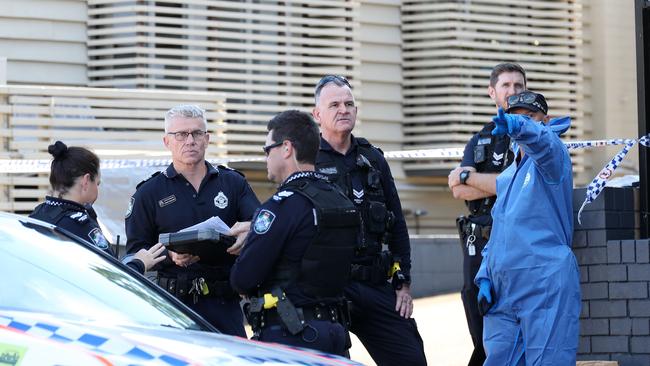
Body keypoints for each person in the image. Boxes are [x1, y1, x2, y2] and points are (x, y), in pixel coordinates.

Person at [312, 75, 427, 365]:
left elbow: (397, 223)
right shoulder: (306, 159)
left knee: (411, 358)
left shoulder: (373, 158)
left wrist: (404, 284)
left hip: (375, 284)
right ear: (317, 115)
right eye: (335, 104)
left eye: (349, 103)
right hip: (327, 289)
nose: (343, 110)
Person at [230, 110, 359, 356]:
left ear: (286, 148)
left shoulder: (280, 207)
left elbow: (243, 279)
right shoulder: (340, 199)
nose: (266, 157)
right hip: (336, 334)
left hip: (292, 336)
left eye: (267, 150)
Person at [125, 104, 260, 336]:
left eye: (197, 133)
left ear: (207, 139)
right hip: (174, 307)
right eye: (181, 135)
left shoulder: (232, 183)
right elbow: (136, 251)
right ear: (167, 141)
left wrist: (249, 231)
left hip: (224, 306)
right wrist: (170, 255)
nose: (190, 141)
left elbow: (261, 225)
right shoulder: (149, 193)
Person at [475, 91, 581, 365]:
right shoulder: (509, 174)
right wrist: (485, 276)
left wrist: (518, 126)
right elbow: (499, 231)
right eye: (517, 117)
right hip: (504, 289)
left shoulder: (552, 158)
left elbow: (542, 143)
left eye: (531, 117)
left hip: (543, 282)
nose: (524, 122)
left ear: (545, 120)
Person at [447, 62, 525, 366]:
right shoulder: (480, 138)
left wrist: (472, 179)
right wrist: (500, 182)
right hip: (479, 240)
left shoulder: (533, 135)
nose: (513, 91)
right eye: (506, 85)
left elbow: (522, 185)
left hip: (516, 238)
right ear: (492, 92)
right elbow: (458, 190)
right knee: (476, 305)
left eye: (519, 86)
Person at [30, 141, 166, 274]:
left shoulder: (36, 215)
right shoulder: (80, 226)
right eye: (97, 183)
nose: (97, 189)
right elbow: (113, 277)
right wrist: (140, 263)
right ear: (85, 181)